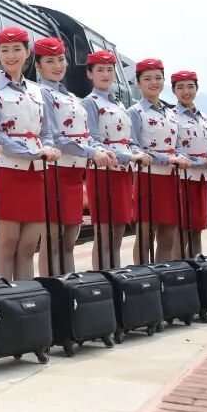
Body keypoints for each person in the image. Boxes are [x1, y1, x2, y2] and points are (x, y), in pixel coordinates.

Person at [0, 26, 61, 280]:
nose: (11, 55)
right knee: (7, 245)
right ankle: (4, 297)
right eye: (5, 50)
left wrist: (48, 148)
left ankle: (27, 298)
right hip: (6, 171)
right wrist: (32, 153)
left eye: (17, 49)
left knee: (28, 246)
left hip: (36, 173)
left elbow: (46, 131)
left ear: (27, 53)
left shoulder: (38, 92)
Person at [33, 37, 110, 275]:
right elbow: (54, 137)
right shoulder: (42, 93)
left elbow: (85, 134)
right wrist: (92, 152)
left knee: (69, 240)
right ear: (38, 66)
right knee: (52, 240)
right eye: (50, 61)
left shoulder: (72, 97)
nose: (57, 66)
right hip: (55, 172)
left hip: (75, 173)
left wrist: (98, 149)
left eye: (60, 59)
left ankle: (70, 284)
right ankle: (53, 286)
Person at [82, 50, 150, 269]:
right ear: (90, 74)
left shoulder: (120, 105)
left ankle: (117, 276)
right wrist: (127, 156)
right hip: (102, 172)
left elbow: (128, 139)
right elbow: (93, 139)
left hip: (122, 173)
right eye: (100, 70)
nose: (105, 74)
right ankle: (103, 278)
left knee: (118, 232)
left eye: (109, 70)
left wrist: (133, 154)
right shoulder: (89, 102)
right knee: (105, 233)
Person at [128, 59, 189, 262]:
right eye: (147, 79)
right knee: (145, 234)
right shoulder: (135, 112)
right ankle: (143, 275)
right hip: (148, 177)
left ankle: (164, 273)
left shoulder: (172, 114)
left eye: (158, 78)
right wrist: (166, 159)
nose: (153, 82)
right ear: (138, 82)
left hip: (171, 177)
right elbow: (133, 145)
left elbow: (178, 144)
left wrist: (181, 156)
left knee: (168, 234)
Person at [172, 70, 207, 256]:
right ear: (174, 91)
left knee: (198, 229)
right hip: (181, 178)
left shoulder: (204, 118)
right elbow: (173, 148)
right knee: (182, 230)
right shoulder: (171, 116)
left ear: (197, 88)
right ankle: (180, 269)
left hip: (201, 178)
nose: (186, 91)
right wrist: (200, 160)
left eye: (190, 86)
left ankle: (197, 266)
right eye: (180, 87)